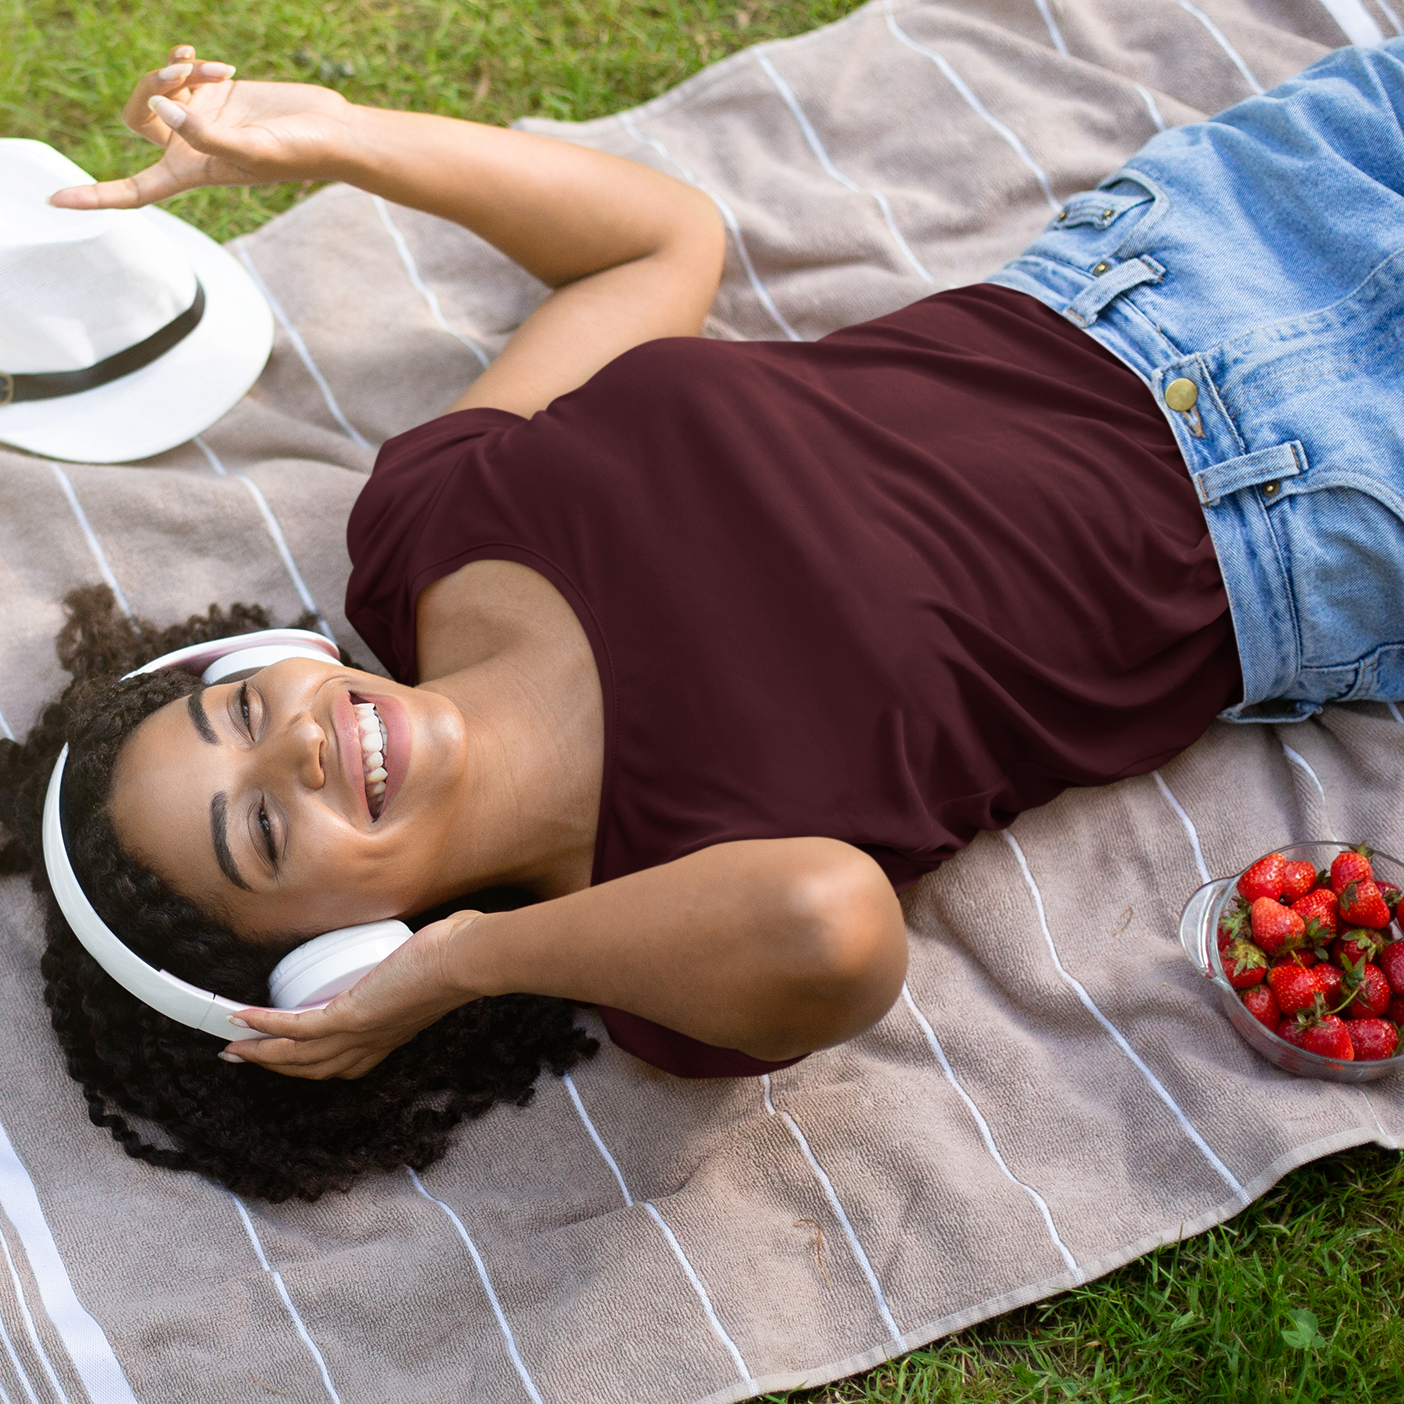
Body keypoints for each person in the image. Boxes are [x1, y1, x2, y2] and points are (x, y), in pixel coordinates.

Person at [4, 37, 1402, 1200]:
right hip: (1323, 519)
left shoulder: (419, 532)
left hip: (1203, 239)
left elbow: (657, 245)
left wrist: (340, 137)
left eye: (239, 710)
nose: (295, 749)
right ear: (326, 964)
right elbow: (834, 926)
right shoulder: (660, 945)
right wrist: (466, 967)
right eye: (260, 829)